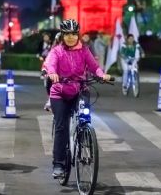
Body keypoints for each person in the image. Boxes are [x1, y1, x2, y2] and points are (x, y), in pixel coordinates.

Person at [43, 19, 111, 177]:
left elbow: (94, 67)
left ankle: (84, 139)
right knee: (61, 127)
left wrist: (101, 75)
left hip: (80, 90)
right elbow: (49, 64)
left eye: (74, 34)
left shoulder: (84, 51)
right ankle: (58, 164)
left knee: (85, 118)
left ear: (78, 35)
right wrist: (52, 73)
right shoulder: (57, 51)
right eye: (67, 34)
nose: (71, 37)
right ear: (63, 35)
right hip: (59, 93)